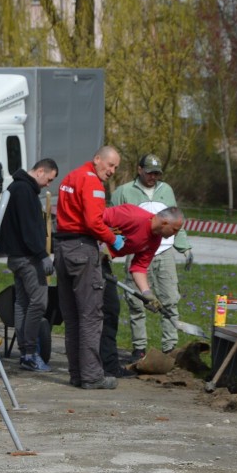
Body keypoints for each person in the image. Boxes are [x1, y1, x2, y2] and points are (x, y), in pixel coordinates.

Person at [111, 154, 193, 361]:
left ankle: (170, 347)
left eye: (157, 173)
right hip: (136, 249)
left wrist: (184, 247)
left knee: (169, 299)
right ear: (139, 170)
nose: (153, 176)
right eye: (149, 172)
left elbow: (176, 221)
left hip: (163, 250)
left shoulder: (166, 190)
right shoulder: (124, 191)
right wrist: (109, 248)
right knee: (136, 301)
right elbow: (109, 221)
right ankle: (139, 348)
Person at [54, 146, 121, 390]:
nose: (112, 171)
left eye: (115, 167)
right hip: (82, 249)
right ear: (97, 159)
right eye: (110, 165)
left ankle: (77, 374)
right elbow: (93, 222)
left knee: (71, 318)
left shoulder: (70, 178)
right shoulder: (93, 182)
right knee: (91, 316)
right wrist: (113, 239)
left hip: (62, 249)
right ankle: (92, 376)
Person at [0, 158, 59, 372]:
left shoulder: (16, 187)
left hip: (16, 257)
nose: (48, 184)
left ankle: (25, 353)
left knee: (22, 303)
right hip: (28, 258)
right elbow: (29, 228)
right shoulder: (24, 191)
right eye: (49, 179)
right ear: (41, 171)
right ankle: (30, 353)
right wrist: (42, 254)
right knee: (39, 303)